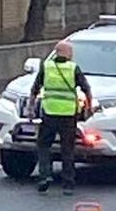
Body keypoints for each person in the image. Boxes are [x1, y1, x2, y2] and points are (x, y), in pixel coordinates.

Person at [29, 40, 93, 196]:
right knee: (67, 150)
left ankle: (44, 176)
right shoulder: (73, 68)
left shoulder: (47, 67)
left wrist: (31, 109)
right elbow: (86, 89)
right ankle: (68, 184)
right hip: (68, 115)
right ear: (68, 54)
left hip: (49, 113)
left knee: (43, 145)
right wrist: (89, 108)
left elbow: (34, 89)